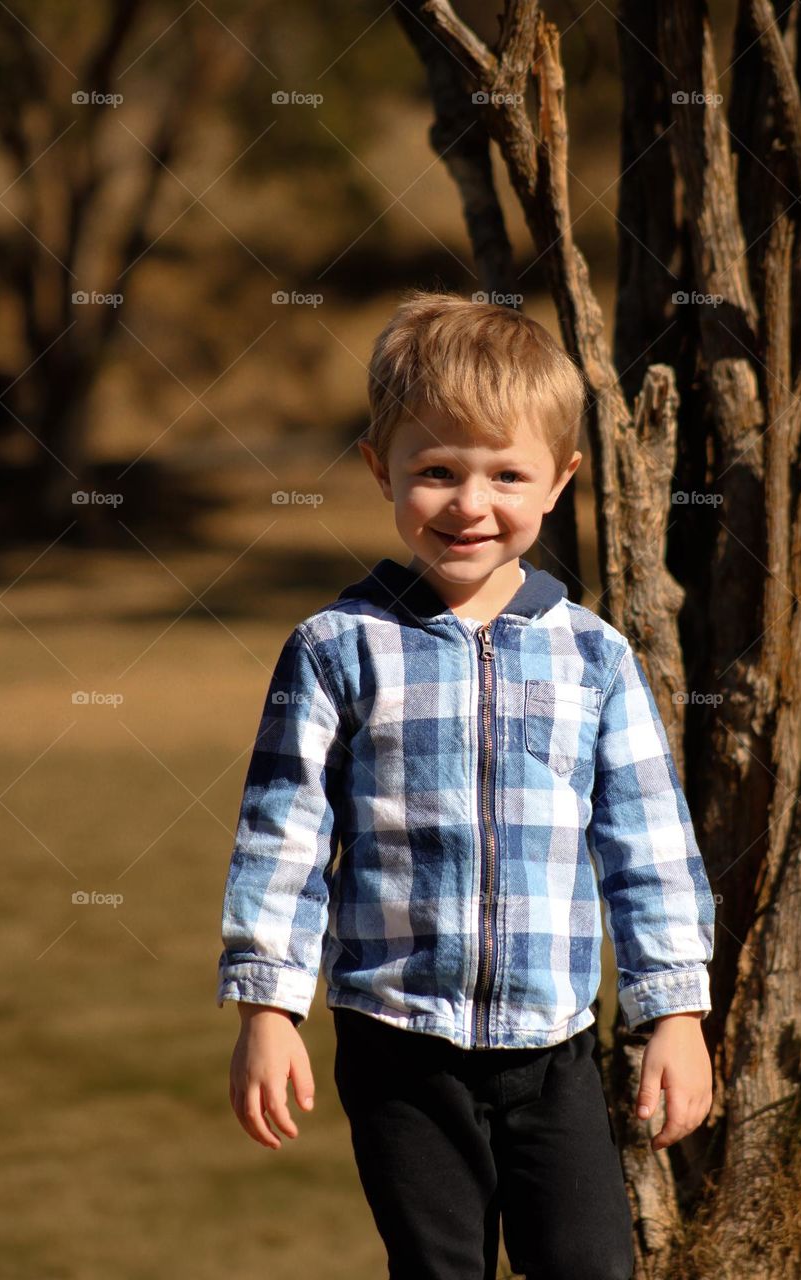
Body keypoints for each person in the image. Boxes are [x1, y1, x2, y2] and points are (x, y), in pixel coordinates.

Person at [217, 289, 716, 1280]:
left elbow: (648, 843)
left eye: (505, 473)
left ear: (560, 479)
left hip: (555, 1047)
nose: (469, 503)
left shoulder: (593, 657)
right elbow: (282, 839)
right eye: (436, 470)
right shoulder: (335, 648)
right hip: (398, 1042)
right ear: (380, 468)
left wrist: (676, 1013)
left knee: (591, 1264)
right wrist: (267, 1010)